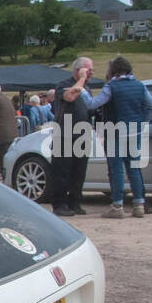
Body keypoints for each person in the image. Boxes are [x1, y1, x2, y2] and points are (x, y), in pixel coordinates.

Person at [77, 56, 152, 219]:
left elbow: (93, 104)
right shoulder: (140, 85)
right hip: (134, 131)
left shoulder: (111, 86)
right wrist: (142, 120)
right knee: (134, 168)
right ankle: (139, 205)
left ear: (113, 70)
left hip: (114, 131)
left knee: (116, 170)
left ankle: (117, 205)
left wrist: (82, 90)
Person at [51, 57, 96, 216]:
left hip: (82, 134)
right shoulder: (63, 85)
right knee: (62, 171)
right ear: (78, 70)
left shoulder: (86, 88)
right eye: (88, 69)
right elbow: (70, 96)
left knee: (79, 171)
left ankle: (75, 202)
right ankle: (60, 204)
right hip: (64, 135)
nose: (91, 73)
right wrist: (82, 79)